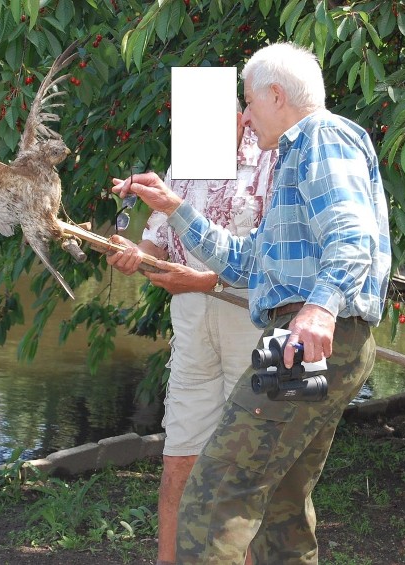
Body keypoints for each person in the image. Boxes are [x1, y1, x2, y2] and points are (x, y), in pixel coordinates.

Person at [111, 42, 391, 565]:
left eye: (248, 102)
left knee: (215, 491)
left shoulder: (323, 138)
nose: (243, 116)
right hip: (302, 336)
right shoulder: (293, 156)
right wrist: (174, 209)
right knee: (281, 500)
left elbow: (354, 237)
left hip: (303, 339)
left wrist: (321, 308)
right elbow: (249, 263)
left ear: (277, 95)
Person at [105, 102, 277, 565]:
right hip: (191, 317)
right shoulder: (185, 165)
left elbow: (278, 257)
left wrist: (206, 281)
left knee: (256, 455)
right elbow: (155, 245)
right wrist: (131, 253)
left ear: (241, 115)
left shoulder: (272, 155)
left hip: (254, 315)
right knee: (181, 449)